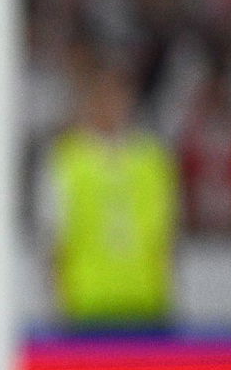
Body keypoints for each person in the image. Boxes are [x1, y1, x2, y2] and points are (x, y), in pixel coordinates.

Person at [40, 63, 179, 330]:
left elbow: (166, 236)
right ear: (88, 102)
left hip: (146, 301)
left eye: (119, 96)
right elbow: (54, 238)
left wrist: (169, 295)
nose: (112, 105)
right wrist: (60, 303)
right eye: (103, 96)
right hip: (87, 304)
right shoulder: (65, 161)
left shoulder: (153, 159)